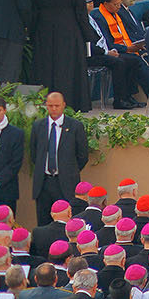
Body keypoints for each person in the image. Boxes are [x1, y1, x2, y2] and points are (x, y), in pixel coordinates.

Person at [30, 0, 98, 111]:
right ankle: (72, 103)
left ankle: (46, 104)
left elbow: (33, 12)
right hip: (70, 31)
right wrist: (87, 35)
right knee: (68, 68)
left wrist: (32, 33)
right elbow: (81, 12)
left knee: (46, 69)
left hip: (44, 31)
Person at [27, 91, 89, 225]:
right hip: (44, 183)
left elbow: (82, 155)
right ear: (46, 106)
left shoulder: (75, 126)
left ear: (63, 105)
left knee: (67, 223)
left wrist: (70, 170)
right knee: (44, 222)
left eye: (57, 105)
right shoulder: (38, 126)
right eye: (50, 106)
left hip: (66, 183)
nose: (54, 109)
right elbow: (34, 154)